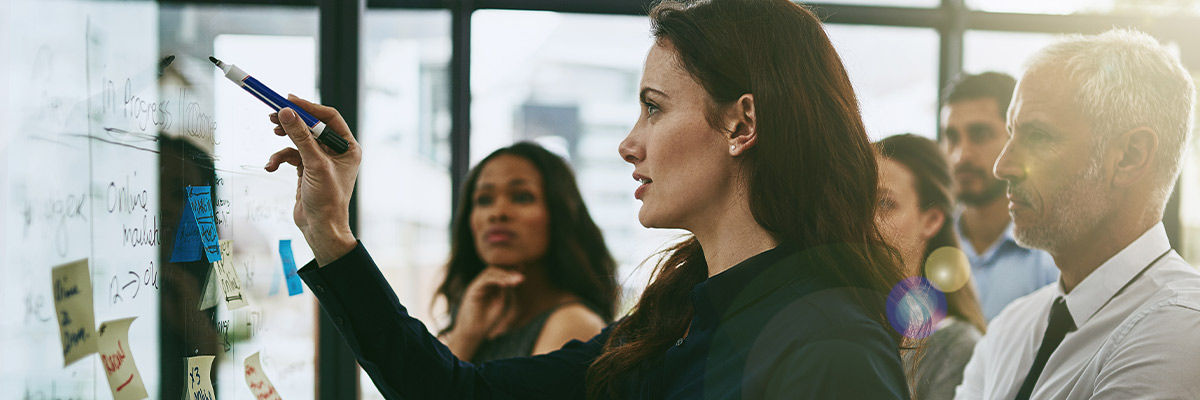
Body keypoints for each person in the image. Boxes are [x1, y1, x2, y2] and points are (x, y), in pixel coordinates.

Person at [265, 0, 910, 398]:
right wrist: (331, 231)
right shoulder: (680, 316)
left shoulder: (829, 346)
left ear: (742, 125)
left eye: (654, 110)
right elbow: (461, 394)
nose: (629, 144)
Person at [956, 29, 1200, 399]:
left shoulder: (1182, 326)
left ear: (1130, 156)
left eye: (1037, 137)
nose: (1002, 166)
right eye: (1010, 134)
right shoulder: (1014, 326)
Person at [434, 142, 617, 363]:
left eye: (521, 197)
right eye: (484, 200)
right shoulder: (476, 314)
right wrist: (465, 335)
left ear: (558, 214)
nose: (497, 213)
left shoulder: (573, 322)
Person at [876, 134, 986, 400]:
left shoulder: (954, 347)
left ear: (931, 220)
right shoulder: (845, 321)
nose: (865, 220)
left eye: (885, 204)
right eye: (857, 202)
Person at [940, 72, 1058, 320]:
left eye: (980, 135)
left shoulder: (1052, 259)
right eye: (951, 137)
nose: (960, 156)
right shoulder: (927, 245)